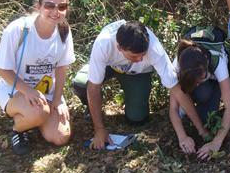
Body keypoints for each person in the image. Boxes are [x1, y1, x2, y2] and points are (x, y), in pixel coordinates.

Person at [78, 20, 206, 150]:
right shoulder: (103, 43)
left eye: (143, 55)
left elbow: (177, 90)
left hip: (136, 73)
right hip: (108, 66)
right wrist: (99, 129)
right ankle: (92, 111)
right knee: (81, 83)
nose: (139, 60)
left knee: (137, 118)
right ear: (119, 48)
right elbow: (94, 86)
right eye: (134, 56)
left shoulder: (154, 47)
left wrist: (201, 130)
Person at [0, 0, 75, 155]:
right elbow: (2, 69)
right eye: (49, 5)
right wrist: (28, 91)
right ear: (38, 7)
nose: (56, 11)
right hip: (15, 89)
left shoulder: (64, 31)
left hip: (46, 92)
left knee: (61, 137)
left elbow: (61, 68)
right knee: (39, 111)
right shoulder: (18, 29)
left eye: (62, 7)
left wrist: (58, 99)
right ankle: (18, 129)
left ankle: (37, 119)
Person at [169, 39, 230, 160]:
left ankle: (197, 111)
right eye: (196, 81)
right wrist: (182, 136)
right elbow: (173, 108)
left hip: (212, 85)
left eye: (202, 78)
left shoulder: (217, 61)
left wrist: (216, 142)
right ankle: (188, 110)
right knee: (184, 107)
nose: (199, 83)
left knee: (204, 107)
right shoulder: (177, 66)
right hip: (190, 87)